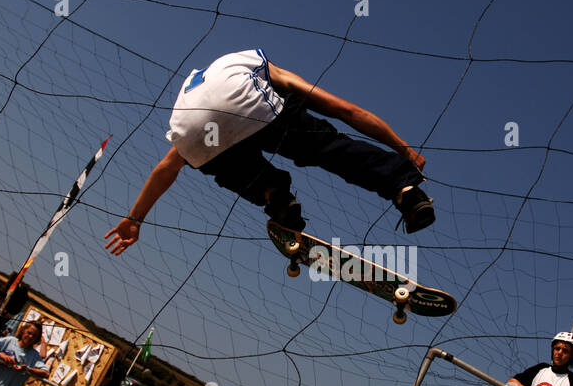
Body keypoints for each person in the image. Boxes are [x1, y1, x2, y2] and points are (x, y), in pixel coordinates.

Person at [104, 49, 435, 251]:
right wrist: (402, 149)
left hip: (190, 129)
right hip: (246, 104)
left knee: (228, 164)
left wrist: (136, 218)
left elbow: (166, 168)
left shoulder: (220, 71)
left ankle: (274, 195)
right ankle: (406, 192)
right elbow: (347, 110)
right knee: (329, 148)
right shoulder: (266, 71)